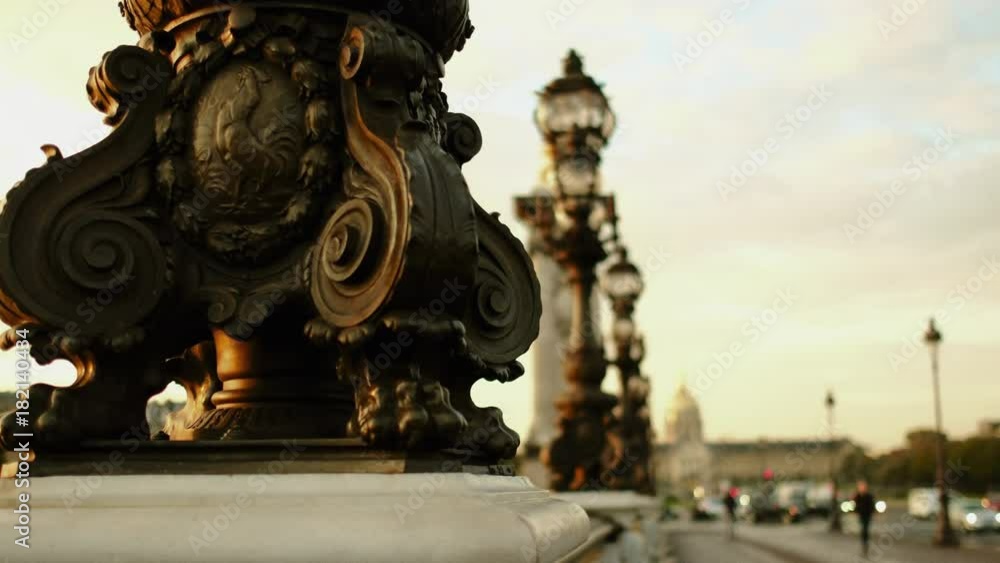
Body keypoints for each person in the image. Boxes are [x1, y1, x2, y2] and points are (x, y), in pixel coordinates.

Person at [853, 481, 876, 558]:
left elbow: (872, 506)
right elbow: (855, 505)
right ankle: (864, 545)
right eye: (860, 487)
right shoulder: (858, 496)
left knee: (865, 530)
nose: (861, 488)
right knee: (863, 530)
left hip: (867, 515)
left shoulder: (869, 496)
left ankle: (865, 545)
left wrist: (872, 512)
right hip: (861, 515)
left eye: (862, 487)